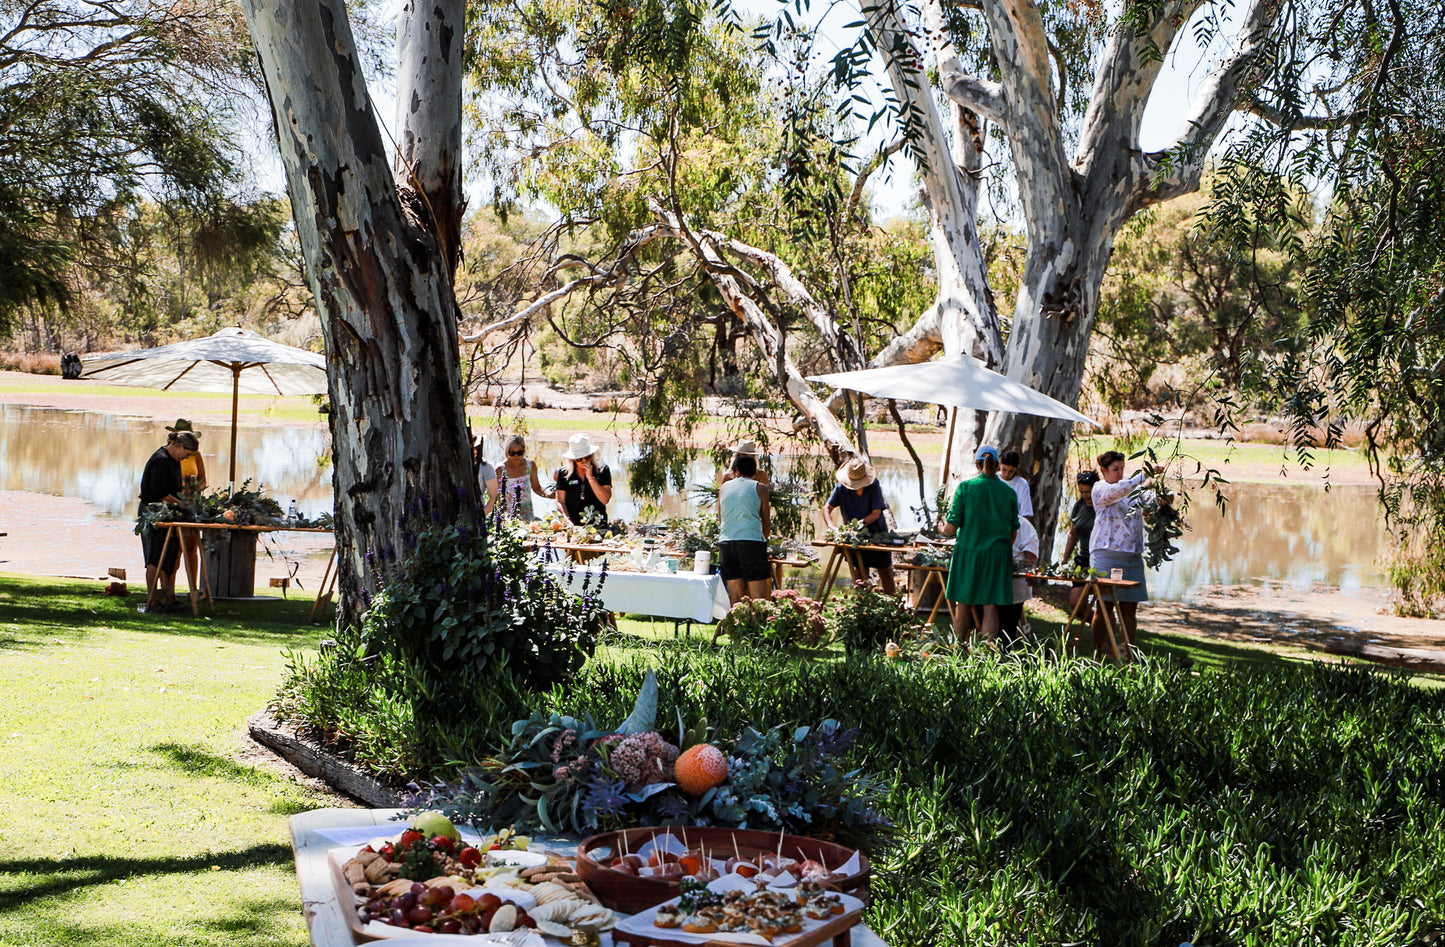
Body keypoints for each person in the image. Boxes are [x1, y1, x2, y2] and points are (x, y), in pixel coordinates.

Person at [940, 445, 1018, 644]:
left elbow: (950, 528)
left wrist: (941, 527)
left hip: (969, 553)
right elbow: (1012, 534)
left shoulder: (966, 488)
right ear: (998, 465)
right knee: (990, 606)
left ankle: (956, 650)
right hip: (997, 555)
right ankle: (986, 655)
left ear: (977, 464)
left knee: (963, 604)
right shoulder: (1008, 492)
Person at [1089, 450, 1162, 656]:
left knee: (1129, 609)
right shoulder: (1100, 488)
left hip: (1132, 556)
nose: (1120, 473)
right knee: (1105, 607)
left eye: (1122, 468)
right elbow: (1116, 492)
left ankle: (1128, 653)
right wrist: (1143, 476)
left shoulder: (1131, 489)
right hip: (1106, 554)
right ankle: (1099, 652)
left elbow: (1150, 500)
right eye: (1115, 469)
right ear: (1103, 470)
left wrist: (1166, 497)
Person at [139, 430, 199, 612]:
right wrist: (181, 504)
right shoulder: (161, 460)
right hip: (153, 512)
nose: (185, 458)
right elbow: (160, 493)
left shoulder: (173, 460)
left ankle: (169, 599)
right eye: (186, 454)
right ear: (180, 446)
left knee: (170, 559)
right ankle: (153, 601)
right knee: (155, 559)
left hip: (170, 514)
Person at [823, 458, 896, 594]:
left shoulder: (874, 486)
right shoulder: (841, 488)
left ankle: (893, 604)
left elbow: (876, 513)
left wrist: (860, 524)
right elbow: (827, 508)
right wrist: (831, 526)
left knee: (885, 570)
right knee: (860, 570)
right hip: (855, 537)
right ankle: (862, 604)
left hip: (877, 534)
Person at [716, 453, 772, 605]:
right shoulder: (760, 488)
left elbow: (721, 517)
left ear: (736, 471)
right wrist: (763, 542)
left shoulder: (723, 488)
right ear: (755, 473)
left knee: (735, 596)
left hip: (727, 543)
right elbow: (766, 523)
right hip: (751, 542)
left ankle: (736, 626)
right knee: (759, 597)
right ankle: (759, 627)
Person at [167, 419, 207, 602]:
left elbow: (203, 480)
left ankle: (194, 589)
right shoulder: (168, 456)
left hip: (190, 504)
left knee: (191, 547)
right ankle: (169, 590)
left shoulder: (195, 455)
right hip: (173, 505)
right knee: (173, 548)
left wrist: (195, 488)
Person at [1060, 470, 1100, 623]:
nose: (1085, 495)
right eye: (1082, 492)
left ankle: (1102, 628)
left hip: (1100, 561)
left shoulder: (1103, 507)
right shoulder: (1079, 505)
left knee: (1103, 602)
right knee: (1075, 603)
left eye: (1088, 492)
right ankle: (1097, 623)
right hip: (1082, 561)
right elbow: (1072, 534)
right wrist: (1065, 559)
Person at [998, 514, 1039, 649]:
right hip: (988, 582)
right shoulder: (987, 517)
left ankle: (1004, 654)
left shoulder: (1023, 524)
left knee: (1006, 629)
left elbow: (1031, 557)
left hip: (1014, 584)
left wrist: (1027, 570)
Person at [555, 433, 613, 526]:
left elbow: (605, 499)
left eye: (587, 457)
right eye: (579, 459)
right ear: (573, 459)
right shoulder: (564, 473)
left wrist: (590, 478)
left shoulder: (602, 470)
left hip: (597, 523)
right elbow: (560, 502)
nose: (584, 461)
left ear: (591, 455)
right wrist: (567, 520)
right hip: (573, 524)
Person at [495, 434, 548, 520]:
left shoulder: (530, 465)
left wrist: (552, 495)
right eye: (512, 453)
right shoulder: (500, 469)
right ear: (507, 451)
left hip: (527, 511)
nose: (516, 456)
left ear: (524, 451)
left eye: (519, 453)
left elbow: (537, 488)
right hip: (508, 514)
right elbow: (495, 496)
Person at [999, 450, 1034, 519]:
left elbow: (1025, 514)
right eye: (1004, 469)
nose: (1006, 474)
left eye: (1010, 471)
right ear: (999, 464)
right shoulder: (993, 479)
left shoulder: (1022, 484)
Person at [473, 436, 499, 513]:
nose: (474, 451)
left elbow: (494, 497)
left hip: (477, 510)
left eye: (476, 448)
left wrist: (482, 516)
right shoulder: (455, 465)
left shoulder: (486, 467)